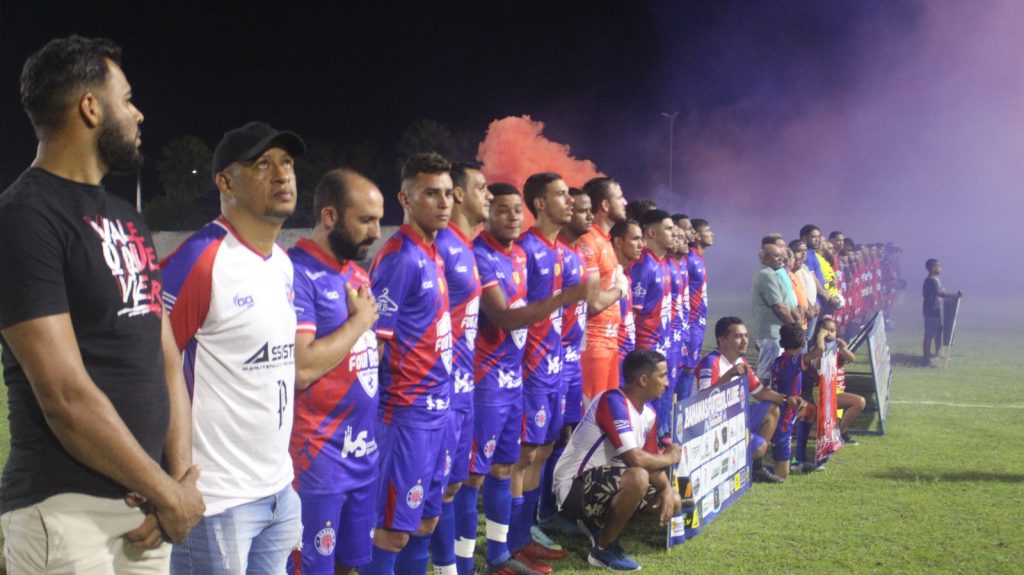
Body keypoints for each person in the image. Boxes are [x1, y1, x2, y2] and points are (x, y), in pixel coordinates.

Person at [0, 35, 204, 573]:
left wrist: (177, 481)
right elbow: (64, 394)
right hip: (66, 513)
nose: (137, 113)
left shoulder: (128, 217)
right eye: (127, 97)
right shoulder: (25, 217)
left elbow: (165, 356)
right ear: (90, 107)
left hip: (148, 509)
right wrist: (165, 488)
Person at [161, 121, 306, 573]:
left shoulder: (281, 263)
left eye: (286, 163)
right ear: (225, 181)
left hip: (279, 491)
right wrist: (167, 484)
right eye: (263, 164)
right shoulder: (200, 260)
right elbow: (146, 367)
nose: (282, 175)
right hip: (217, 502)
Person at [467, 184, 577, 575]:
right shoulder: (488, 254)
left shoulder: (516, 255)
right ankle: (470, 560)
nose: (513, 216)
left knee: (513, 461)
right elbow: (510, 317)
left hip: (522, 375)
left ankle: (509, 546)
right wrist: (568, 297)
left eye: (517, 210)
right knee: (477, 474)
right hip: (494, 379)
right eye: (503, 209)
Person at [287, 169, 383, 574]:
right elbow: (301, 368)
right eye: (366, 220)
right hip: (317, 459)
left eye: (378, 219)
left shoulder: (356, 273)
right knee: (313, 568)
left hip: (362, 451)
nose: (377, 232)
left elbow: (364, 353)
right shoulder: (297, 271)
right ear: (329, 216)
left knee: (349, 564)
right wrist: (359, 323)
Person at [363, 152, 453, 575]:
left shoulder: (432, 253)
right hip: (406, 416)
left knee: (425, 521)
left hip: (440, 411)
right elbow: (373, 345)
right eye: (431, 193)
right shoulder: (399, 257)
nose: (444, 202)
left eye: (448, 193)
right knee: (392, 530)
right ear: (405, 198)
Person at [511, 172, 593, 573]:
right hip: (529, 368)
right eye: (561, 195)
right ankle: (511, 541)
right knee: (523, 454)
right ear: (539, 203)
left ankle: (525, 534)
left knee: (542, 450)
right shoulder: (526, 249)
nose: (570, 202)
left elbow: (567, 316)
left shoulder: (563, 252)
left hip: (556, 366)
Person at [553, 349, 681, 572]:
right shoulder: (612, 401)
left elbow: (651, 462)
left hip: (608, 484)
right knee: (638, 476)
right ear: (643, 380)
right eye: (662, 376)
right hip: (574, 487)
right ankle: (603, 549)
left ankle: (600, 526)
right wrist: (669, 458)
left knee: (674, 499)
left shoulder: (649, 413)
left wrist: (667, 489)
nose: (667, 383)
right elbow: (635, 458)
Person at [431, 162, 489, 575]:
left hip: (465, 387)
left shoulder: (466, 247)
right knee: (436, 493)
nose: (487, 195)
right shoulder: (444, 248)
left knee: (456, 484)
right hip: (442, 391)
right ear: (457, 196)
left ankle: (458, 566)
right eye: (481, 188)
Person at [536, 187, 596, 539]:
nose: (580, 211)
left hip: (569, 361)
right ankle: (531, 519)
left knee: (563, 435)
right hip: (546, 363)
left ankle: (549, 509)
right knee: (535, 448)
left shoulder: (574, 254)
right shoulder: (547, 252)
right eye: (575, 206)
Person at [698, 317, 797, 484]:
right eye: (738, 336)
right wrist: (729, 375)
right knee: (759, 447)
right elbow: (702, 400)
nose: (744, 341)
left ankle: (755, 468)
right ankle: (725, 466)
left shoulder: (741, 361)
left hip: (735, 417)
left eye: (746, 336)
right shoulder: (711, 362)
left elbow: (761, 393)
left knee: (773, 408)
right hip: (713, 425)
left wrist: (787, 399)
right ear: (722, 340)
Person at [578, 177, 630, 407]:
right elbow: (593, 303)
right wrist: (620, 290)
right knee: (591, 419)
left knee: (607, 415)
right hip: (592, 345)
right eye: (619, 197)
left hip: (609, 343)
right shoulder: (588, 241)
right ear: (605, 205)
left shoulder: (605, 241)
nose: (625, 201)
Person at [630, 209, 676, 439]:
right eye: (668, 228)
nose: (674, 233)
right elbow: (634, 313)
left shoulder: (662, 263)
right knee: (646, 402)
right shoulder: (644, 265)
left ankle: (656, 443)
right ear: (652, 231)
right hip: (647, 346)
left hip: (662, 342)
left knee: (661, 398)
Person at [768, 323, 819, 479]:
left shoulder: (778, 360)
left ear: (782, 343)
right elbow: (819, 350)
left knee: (810, 411)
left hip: (787, 403)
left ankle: (800, 458)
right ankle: (767, 468)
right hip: (786, 408)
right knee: (782, 473)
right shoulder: (795, 361)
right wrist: (822, 334)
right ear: (803, 342)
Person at [750, 243, 796, 385]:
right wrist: (794, 327)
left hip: (775, 332)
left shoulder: (772, 273)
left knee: (774, 371)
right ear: (764, 258)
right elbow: (779, 307)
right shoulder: (766, 275)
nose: (781, 258)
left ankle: (771, 403)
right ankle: (763, 405)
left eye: (782, 255)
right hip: (771, 333)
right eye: (776, 255)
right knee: (767, 372)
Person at [683, 217, 711, 398]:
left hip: (698, 322)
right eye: (708, 231)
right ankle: (677, 414)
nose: (712, 234)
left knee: (690, 368)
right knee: (687, 369)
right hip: (691, 323)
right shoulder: (691, 259)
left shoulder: (698, 259)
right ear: (697, 235)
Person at [611, 220, 644, 366]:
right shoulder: (609, 277)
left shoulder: (626, 277)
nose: (641, 245)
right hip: (612, 359)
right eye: (636, 239)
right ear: (618, 242)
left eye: (641, 239)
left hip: (626, 358)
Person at [922, 259, 961, 366]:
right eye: (938, 266)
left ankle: (938, 352)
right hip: (931, 311)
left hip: (936, 309)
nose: (940, 268)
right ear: (932, 268)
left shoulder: (936, 279)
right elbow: (940, 294)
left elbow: (940, 291)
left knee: (939, 331)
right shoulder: (931, 280)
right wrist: (955, 295)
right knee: (929, 335)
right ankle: (926, 360)